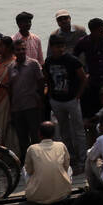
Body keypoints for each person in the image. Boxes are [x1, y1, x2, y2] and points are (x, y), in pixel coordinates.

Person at [44, 37, 88, 172]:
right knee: (64, 131)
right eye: (57, 46)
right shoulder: (49, 61)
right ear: (51, 47)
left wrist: (78, 96)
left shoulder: (72, 60)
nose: (60, 49)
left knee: (79, 130)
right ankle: (71, 159)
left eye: (62, 46)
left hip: (72, 100)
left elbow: (84, 78)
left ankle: (83, 160)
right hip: (57, 101)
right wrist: (50, 96)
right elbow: (47, 79)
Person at [2, 39, 44, 157]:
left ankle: (38, 160)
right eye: (18, 49)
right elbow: (10, 88)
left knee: (35, 136)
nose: (21, 51)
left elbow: (41, 82)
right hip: (17, 108)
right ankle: (26, 163)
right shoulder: (11, 67)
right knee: (22, 138)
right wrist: (11, 108)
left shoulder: (33, 64)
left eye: (23, 49)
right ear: (13, 51)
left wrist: (40, 100)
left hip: (32, 106)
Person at [24, 121, 72, 204]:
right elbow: (66, 166)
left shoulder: (32, 148)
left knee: (24, 168)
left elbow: (29, 170)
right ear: (53, 134)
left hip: (36, 195)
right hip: (62, 193)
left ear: (39, 134)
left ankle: (34, 188)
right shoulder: (61, 145)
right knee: (69, 167)